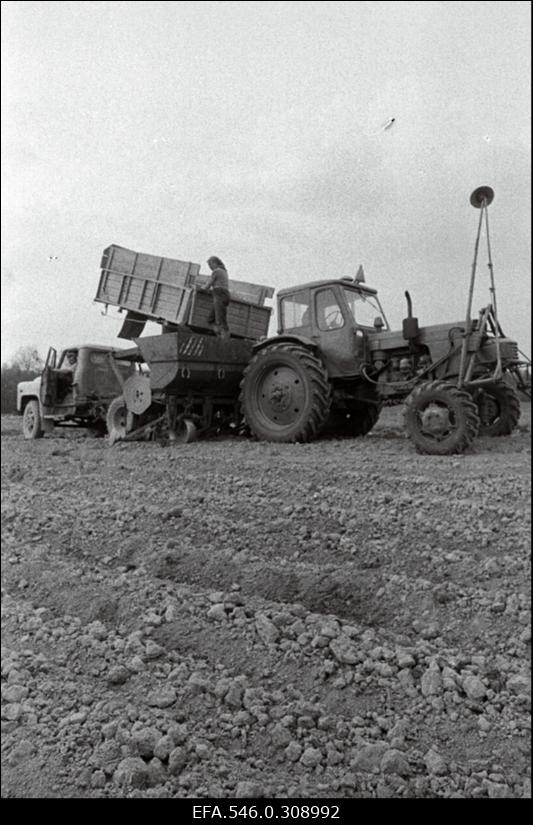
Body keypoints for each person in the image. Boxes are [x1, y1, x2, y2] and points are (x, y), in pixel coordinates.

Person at [204, 256, 230, 339]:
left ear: (214, 263)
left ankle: (224, 339)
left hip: (219, 294)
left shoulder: (217, 271)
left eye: (210, 265)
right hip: (223, 294)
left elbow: (208, 284)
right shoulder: (224, 271)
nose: (210, 267)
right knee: (211, 319)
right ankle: (219, 334)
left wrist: (201, 288)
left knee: (220, 319)